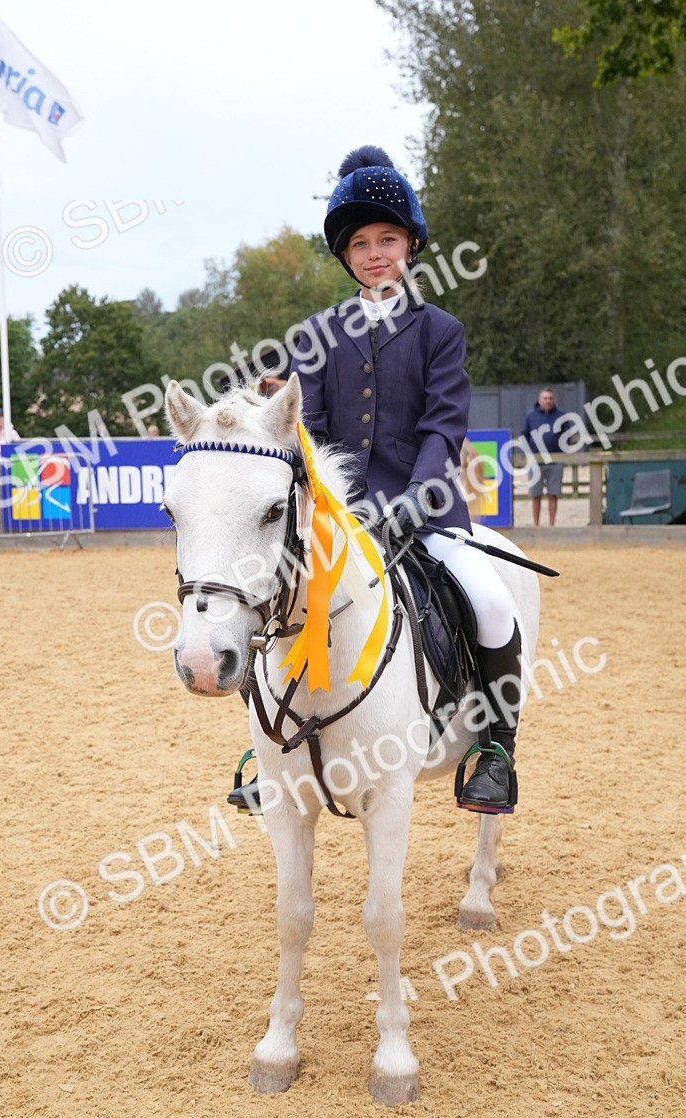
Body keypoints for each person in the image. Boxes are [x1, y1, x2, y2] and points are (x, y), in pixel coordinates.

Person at [231, 145, 523, 816]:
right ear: (345, 255)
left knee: (491, 600)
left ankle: (496, 750)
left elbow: (443, 426)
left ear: (412, 244)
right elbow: (320, 432)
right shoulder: (315, 336)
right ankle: (266, 749)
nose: (373, 252)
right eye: (359, 243)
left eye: (387, 238)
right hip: (339, 519)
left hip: (427, 513)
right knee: (270, 599)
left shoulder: (440, 331)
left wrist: (412, 499)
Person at [521, 389, 567, 526]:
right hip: (535, 461)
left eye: (550, 398)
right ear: (540, 400)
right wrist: (528, 453)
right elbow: (524, 435)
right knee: (536, 495)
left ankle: (551, 525)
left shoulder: (561, 415)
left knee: (553, 494)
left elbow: (568, 434)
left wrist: (564, 452)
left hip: (555, 461)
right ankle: (536, 525)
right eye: (545, 398)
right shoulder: (530, 416)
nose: (548, 401)